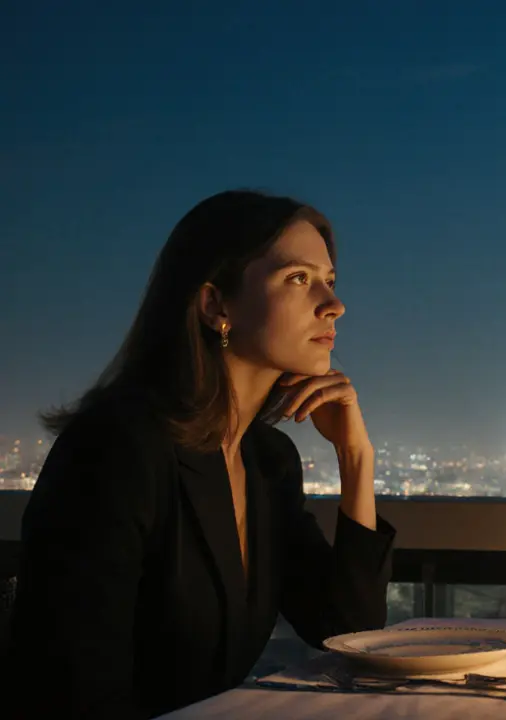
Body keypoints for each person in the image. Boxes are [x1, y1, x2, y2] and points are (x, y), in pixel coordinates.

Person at [3, 191, 396, 718]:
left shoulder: (266, 460)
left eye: (330, 280)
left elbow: (349, 631)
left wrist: (356, 458)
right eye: (298, 279)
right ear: (215, 305)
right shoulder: (118, 447)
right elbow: (70, 685)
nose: (333, 304)